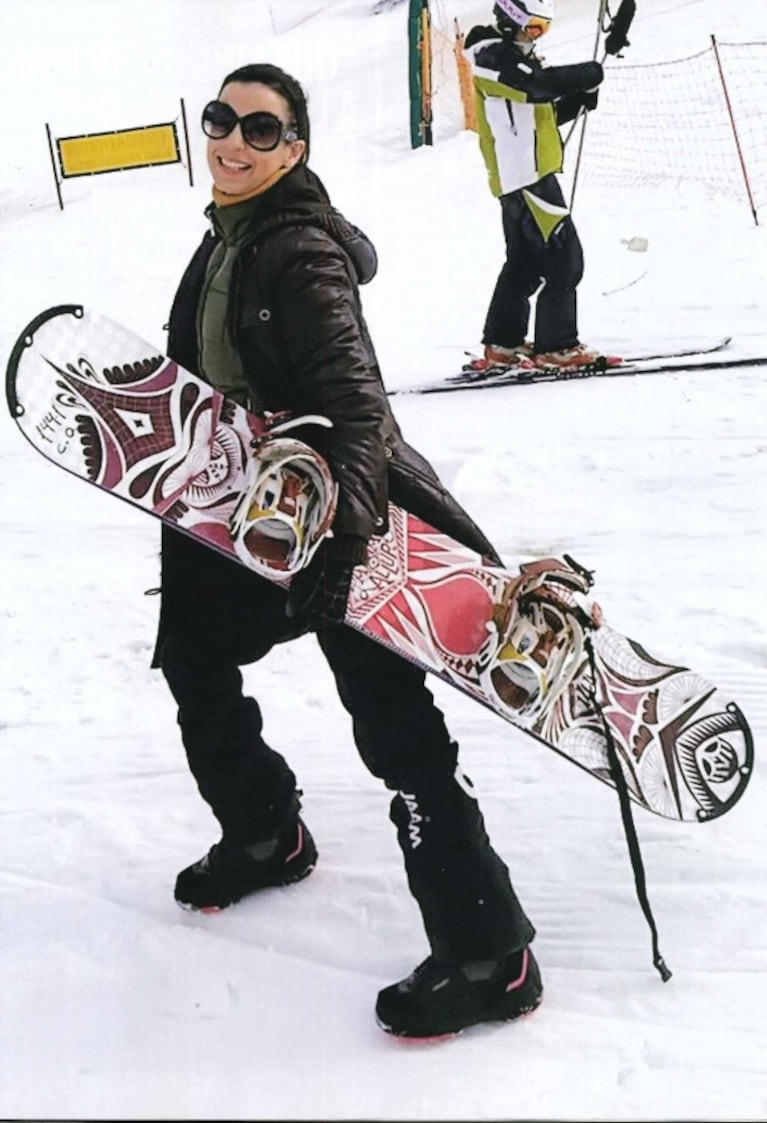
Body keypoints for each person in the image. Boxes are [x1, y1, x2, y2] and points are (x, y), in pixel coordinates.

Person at [153, 62, 542, 1040]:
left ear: (295, 148)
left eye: (259, 128)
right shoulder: (225, 239)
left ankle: (489, 952)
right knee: (196, 662)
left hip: (344, 523)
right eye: (219, 120)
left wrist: (347, 543)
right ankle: (263, 832)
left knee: (393, 724)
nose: (232, 141)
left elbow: (359, 410)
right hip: (254, 513)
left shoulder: (297, 250)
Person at [464, 0, 606, 371]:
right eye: (534, 28)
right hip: (529, 178)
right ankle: (558, 346)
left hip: (522, 176)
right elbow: (533, 85)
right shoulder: (493, 57)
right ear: (512, 21)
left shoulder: (508, 59)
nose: (537, 37)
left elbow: (535, 113)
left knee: (525, 263)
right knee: (565, 259)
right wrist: (587, 74)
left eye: (544, 29)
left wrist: (576, 102)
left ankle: (503, 342)